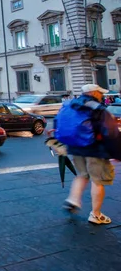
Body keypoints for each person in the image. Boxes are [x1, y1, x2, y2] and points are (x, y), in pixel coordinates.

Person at [59, 84, 116, 225]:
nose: (101, 95)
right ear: (94, 93)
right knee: (97, 180)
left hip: (75, 147)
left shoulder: (70, 104)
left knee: (82, 174)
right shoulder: (97, 108)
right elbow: (111, 131)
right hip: (94, 148)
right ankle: (96, 214)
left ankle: (73, 199)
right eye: (100, 93)